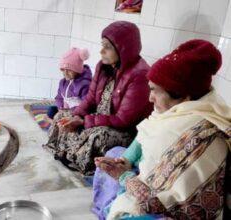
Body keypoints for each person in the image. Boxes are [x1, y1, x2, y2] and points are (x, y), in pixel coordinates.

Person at [92, 39, 231, 219]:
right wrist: (125, 161)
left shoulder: (200, 136)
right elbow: (148, 130)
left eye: (155, 91)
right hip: (147, 182)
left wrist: (124, 177)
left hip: (167, 210)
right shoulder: (179, 110)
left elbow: (162, 204)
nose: (150, 99)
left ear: (182, 94)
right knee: (113, 154)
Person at [43, 21, 153, 175]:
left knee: (96, 136)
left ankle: (78, 161)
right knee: (62, 116)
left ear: (124, 49)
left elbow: (123, 120)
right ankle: (63, 152)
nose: (101, 51)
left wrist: (86, 121)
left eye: (107, 47)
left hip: (124, 130)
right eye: (102, 45)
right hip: (100, 118)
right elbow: (90, 99)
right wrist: (76, 116)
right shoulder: (104, 66)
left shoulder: (139, 75)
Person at [46, 47, 92, 121]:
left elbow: (86, 105)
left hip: (76, 113)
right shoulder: (63, 82)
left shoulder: (84, 84)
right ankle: (56, 121)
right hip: (64, 109)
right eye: (63, 70)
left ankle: (56, 122)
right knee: (51, 110)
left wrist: (70, 113)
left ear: (77, 69)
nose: (65, 73)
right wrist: (60, 107)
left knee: (78, 120)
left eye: (69, 70)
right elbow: (59, 97)